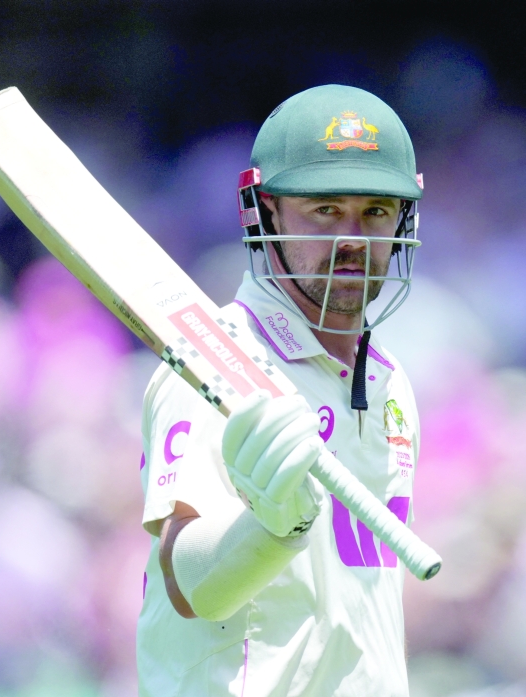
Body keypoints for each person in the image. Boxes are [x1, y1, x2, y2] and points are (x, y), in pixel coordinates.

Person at [137, 84, 425, 696]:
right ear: (267, 210)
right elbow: (189, 586)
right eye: (325, 210)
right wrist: (270, 528)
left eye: (375, 211)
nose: (352, 238)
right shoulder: (212, 364)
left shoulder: (391, 382)